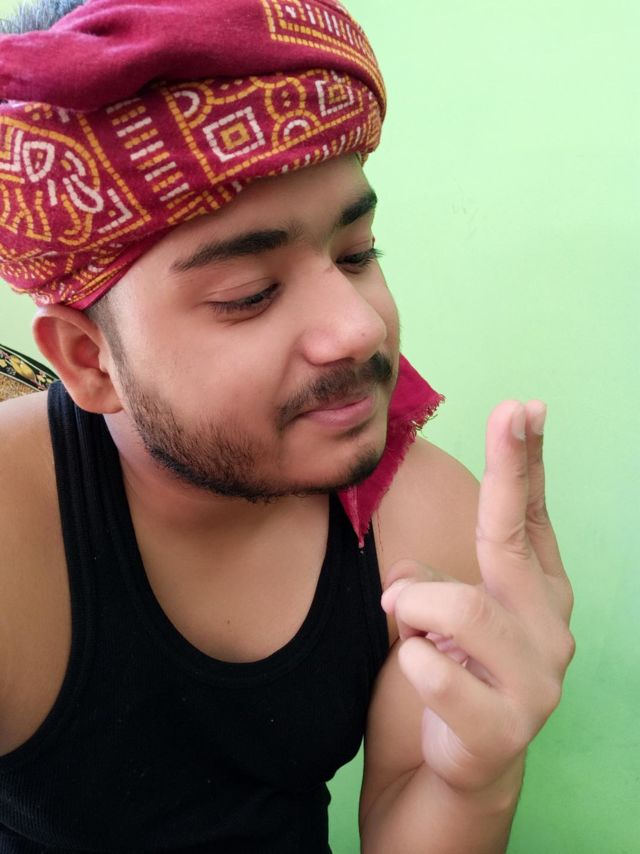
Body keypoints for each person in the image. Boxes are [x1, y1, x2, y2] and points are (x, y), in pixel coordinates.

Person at [0, 0, 574, 851]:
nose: (360, 328)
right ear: (90, 360)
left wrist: (477, 780)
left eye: (358, 253)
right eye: (250, 295)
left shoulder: (428, 529)